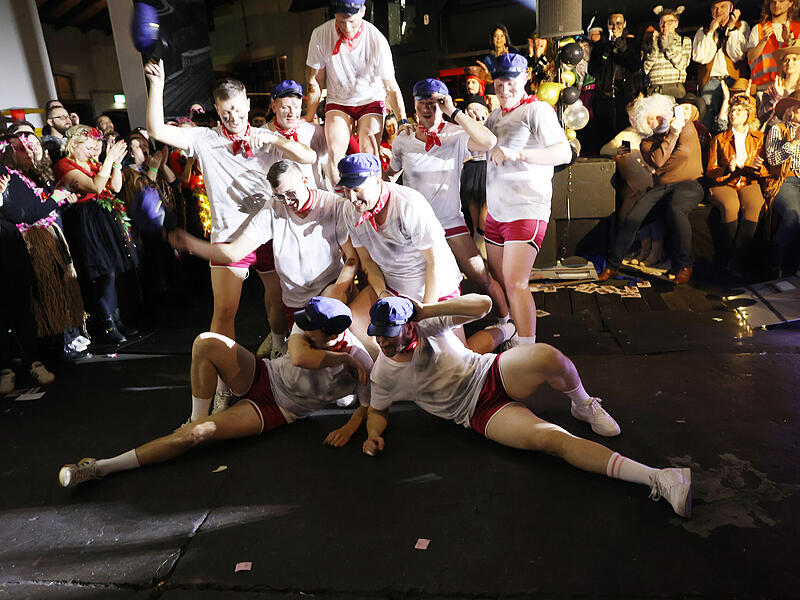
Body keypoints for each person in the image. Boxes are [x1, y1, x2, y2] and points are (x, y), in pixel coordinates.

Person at [361, 295, 692, 519]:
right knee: (552, 441)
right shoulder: (384, 372)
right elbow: (378, 410)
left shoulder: (427, 326)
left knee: (547, 356)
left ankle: (582, 404)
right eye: (379, 336)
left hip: (489, 372)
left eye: (391, 334)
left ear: (409, 325)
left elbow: (483, 304)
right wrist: (373, 434)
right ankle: (659, 478)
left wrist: (422, 311)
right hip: (477, 413)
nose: (385, 343)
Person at [57, 296, 374, 488]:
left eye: (310, 325)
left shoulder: (360, 359)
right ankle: (195, 417)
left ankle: (98, 467)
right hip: (262, 373)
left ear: (329, 332)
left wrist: (350, 426)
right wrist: (340, 358)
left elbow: (369, 403)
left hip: (279, 409)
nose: (302, 325)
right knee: (205, 341)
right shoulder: (309, 335)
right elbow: (300, 358)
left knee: (194, 438)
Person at [144, 59, 314, 351]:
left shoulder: (266, 137)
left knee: (277, 299)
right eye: (225, 111)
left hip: (268, 230)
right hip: (228, 234)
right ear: (218, 110)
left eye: (237, 108)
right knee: (223, 311)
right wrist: (157, 86)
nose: (233, 116)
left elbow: (308, 158)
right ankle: (224, 386)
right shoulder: (204, 139)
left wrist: (277, 142)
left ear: (247, 104)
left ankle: (277, 348)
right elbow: (157, 130)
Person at [169, 159, 374, 356]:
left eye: (291, 193)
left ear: (304, 181)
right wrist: (192, 244)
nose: (288, 201)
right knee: (302, 360)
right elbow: (234, 252)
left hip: (329, 291)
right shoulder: (273, 209)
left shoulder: (333, 204)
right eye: (280, 196)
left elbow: (352, 259)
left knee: (340, 349)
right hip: (295, 301)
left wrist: (336, 293)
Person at [387, 78, 510, 324]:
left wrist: (454, 112)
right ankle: (425, 332)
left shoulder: (455, 134)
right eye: (422, 102)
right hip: (416, 227)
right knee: (417, 284)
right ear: (414, 104)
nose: (427, 108)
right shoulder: (403, 138)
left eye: (434, 102)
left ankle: (508, 324)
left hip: (450, 221)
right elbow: (390, 176)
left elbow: (489, 142)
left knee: (480, 276)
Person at [484, 53, 571, 345]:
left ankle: (527, 349)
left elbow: (564, 153)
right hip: (497, 212)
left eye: (510, 82)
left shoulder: (538, 110)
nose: (504, 90)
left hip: (525, 209)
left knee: (516, 282)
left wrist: (518, 154)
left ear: (524, 80)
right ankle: (508, 329)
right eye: (498, 84)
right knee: (498, 280)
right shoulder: (495, 116)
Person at [599, 94, 705, 285]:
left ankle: (684, 265)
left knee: (676, 208)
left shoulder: (686, 126)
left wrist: (675, 129)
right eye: (650, 121)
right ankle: (612, 265)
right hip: (661, 188)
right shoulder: (647, 142)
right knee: (633, 217)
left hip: (689, 184)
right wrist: (671, 135)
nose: (657, 121)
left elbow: (682, 125)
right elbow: (658, 160)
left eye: (657, 116)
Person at [2, 123, 88, 357]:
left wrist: (58, 198)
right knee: (42, 297)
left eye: (32, 146)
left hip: (48, 239)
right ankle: (49, 350)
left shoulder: (33, 174)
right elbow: (25, 214)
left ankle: (63, 341)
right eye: (22, 149)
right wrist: (56, 198)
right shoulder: (11, 179)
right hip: (30, 244)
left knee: (59, 291)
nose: (29, 152)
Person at [304, 0, 410, 182]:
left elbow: (391, 86)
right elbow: (316, 80)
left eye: (351, 21)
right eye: (340, 21)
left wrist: (402, 120)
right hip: (338, 100)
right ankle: (342, 197)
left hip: (370, 99)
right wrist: (309, 116)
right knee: (335, 150)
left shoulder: (376, 39)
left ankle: (373, 197)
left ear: (362, 11)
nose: (346, 27)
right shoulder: (321, 34)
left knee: (369, 150)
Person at [54, 126, 137, 342]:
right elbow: (95, 186)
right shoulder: (65, 165)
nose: (93, 152)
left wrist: (116, 163)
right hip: (85, 221)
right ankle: (107, 323)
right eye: (88, 147)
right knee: (103, 273)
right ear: (74, 145)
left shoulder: (93, 164)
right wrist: (108, 160)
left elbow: (115, 188)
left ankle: (116, 320)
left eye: (94, 147)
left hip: (103, 219)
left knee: (113, 272)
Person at [706, 95, 767, 276]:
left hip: (749, 179)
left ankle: (736, 258)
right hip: (725, 182)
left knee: (755, 205)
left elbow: (767, 169)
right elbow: (710, 171)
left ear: (748, 114)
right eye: (732, 110)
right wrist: (727, 169)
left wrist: (758, 167)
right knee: (730, 205)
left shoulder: (759, 138)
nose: (734, 113)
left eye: (739, 110)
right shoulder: (719, 139)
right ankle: (729, 258)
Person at [588, 11, 643, 155]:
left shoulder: (632, 44)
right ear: (607, 26)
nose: (615, 26)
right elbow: (592, 71)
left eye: (619, 23)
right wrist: (606, 52)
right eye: (612, 23)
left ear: (624, 24)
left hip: (624, 97)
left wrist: (622, 49)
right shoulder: (600, 46)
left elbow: (635, 65)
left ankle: (624, 169)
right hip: (604, 98)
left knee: (624, 135)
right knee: (605, 137)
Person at [692, 0, 750, 132]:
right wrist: (711, 32)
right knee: (706, 119)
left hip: (734, 81)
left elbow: (739, 55)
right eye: (715, 8)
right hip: (711, 81)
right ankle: (706, 148)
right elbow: (700, 57)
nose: (718, 11)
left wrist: (732, 29)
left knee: (734, 118)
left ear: (731, 8)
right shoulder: (703, 31)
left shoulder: (741, 26)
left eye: (722, 7)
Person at [764, 91, 800, 276]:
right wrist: (794, 142)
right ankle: (777, 264)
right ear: (791, 111)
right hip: (784, 180)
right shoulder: (778, 129)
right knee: (794, 214)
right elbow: (773, 159)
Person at [747, 0, 800, 95]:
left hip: (793, 89)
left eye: (781, 1)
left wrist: (789, 41)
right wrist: (763, 40)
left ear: (790, 3)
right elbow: (750, 57)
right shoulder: (759, 29)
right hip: (764, 89)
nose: (776, 5)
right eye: (773, 2)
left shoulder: (798, 28)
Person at [643, 6, 692, 99]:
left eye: (669, 22)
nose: (665, 26)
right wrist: (654, 49)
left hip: (674, 89)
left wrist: (669, 47)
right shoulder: (652, 40)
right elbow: (645, 69)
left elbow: (682, 64)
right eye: (662, 22)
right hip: (654, 90)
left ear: (676, 24)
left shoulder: (684, 41)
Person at [758, 38, 800, 125]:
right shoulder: (772, 89)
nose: (789, 63)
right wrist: (777, 97)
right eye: (786, 60)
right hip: (774, 132)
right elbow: (761, 116)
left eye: (794, 59)